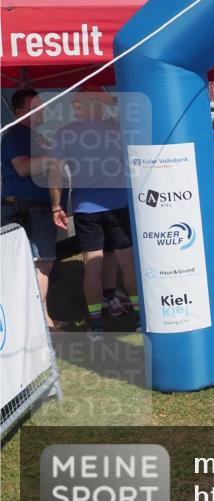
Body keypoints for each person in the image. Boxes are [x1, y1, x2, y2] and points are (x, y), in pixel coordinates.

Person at [48, 89, 139, 340]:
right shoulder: (116, 129)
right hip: (117, 203)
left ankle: (97, 324)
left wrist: (56, 206)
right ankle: (141, 319)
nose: (75, 107)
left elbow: (54, 171)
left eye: (77, 104)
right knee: (126, 262)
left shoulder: (65, 132)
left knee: (93, 266)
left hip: (86, 208)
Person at [1, 89, 63, 329]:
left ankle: (44, 320)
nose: (42, 109)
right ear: (19, 112)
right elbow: (22, 168)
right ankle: (36, 324)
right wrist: (53, 157)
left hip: (32, 207)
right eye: (35, 106)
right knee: (41, 262)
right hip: (27, 208)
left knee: (41, 263)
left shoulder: (33, 135)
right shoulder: (17, 133)